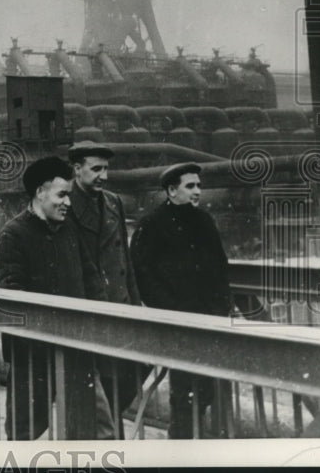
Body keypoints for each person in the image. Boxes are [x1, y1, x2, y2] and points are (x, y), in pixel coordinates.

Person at [0, 155, 98, 440]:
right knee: (26, 429)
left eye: (69, 195)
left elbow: (90, 279)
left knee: (90, 425)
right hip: (31, 353)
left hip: (75, 345)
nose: (68, 202)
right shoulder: (13, 234)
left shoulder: (69, 230)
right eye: (62, 195)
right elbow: (9, 295)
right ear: (40, 193)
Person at [130, 162, 232, 439]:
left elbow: (221, 268)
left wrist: (223, 308)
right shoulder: (152, 224)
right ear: (171, 190)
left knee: (206, 388)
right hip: (177, 320)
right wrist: (168, 308)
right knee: (184, 389)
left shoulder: (204, 221)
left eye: (199, 185)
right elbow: (141, 272)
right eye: (190, 186)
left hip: (209, 320)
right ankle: (181, 445)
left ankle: (193, 444)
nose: (198, 191)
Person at [67, 140, 141, 436]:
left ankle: (111, 449)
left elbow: (125, 256)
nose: (104, 176)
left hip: (117, 307)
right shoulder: (64, 203)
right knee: (92, 393)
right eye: (96, 169)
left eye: (106, 169)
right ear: (76, 169)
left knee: (116, 384)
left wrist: (135, 305)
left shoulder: (113, 202)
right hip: (87, 309)